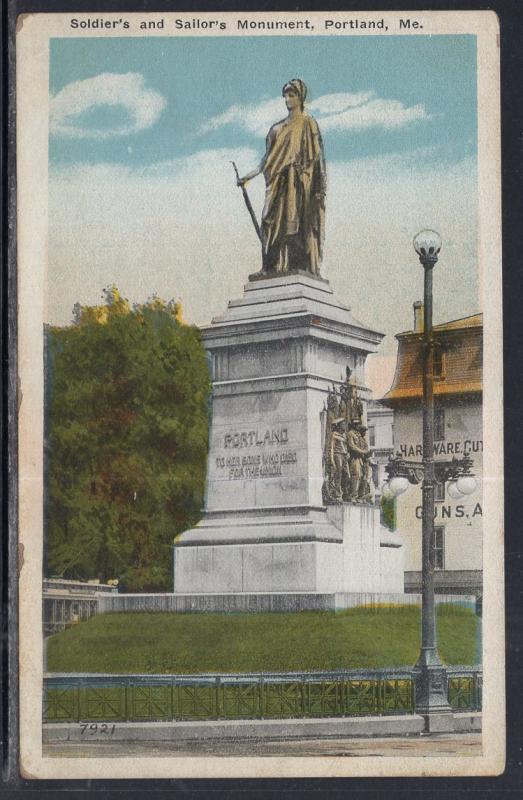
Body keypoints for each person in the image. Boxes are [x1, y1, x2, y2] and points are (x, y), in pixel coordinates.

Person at [238, 79, 326, 275]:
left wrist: (319, 188)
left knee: (293, 226)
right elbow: (266, 160)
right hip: (277, 182)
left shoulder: (308, 123)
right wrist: (247, 177)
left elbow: (317, 157)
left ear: (300, 97)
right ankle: (268, 266)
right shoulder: (275, 129)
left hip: (299, 183)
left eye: (292, 95)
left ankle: (295, 266)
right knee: (267, 219)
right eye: (285, 95)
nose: (288, 99)